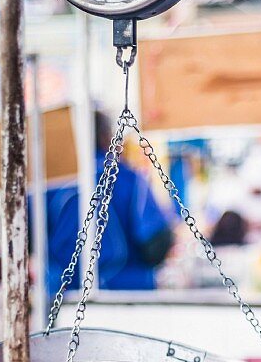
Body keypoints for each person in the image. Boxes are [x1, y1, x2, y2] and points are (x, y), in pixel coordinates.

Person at [45, 113, 175, 294]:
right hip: (128, 295)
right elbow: (155, 243)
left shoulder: (49, 185)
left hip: (62, 297)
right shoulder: (129, 179)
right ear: (106, 136)